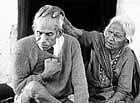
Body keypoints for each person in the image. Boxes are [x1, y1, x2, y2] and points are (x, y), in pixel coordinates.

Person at [10, 5, 89, 103]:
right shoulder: (21, 46)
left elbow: (80, 83)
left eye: (49, 34)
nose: (43, 40)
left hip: (60, 99)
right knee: (33, 87)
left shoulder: (72, 44)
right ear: (34, 29)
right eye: (39, 33)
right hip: (30, 100)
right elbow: (18, 88)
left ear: (59, 33)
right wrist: (44, 75)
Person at [64, 15, 140, 103]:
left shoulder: (128, 55)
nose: (110, 38)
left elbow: (122, 90)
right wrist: (61, 17)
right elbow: (73, 31)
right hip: (90, 92)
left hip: (112, 95)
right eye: (109, 32)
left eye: (117, 36)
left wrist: (111, 101)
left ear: (126, 41)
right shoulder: (97, 39)